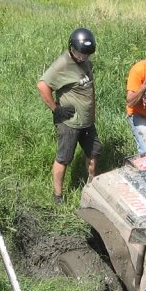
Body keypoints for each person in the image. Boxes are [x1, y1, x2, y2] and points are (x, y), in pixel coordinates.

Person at [37, 27, 100, 204]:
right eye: (79, 53)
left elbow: (90, 87)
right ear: (71, 48)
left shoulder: (86, 62)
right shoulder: (62, 64)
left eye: (86, 54)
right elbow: (42, 85)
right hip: (69, 122)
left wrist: (92, 113)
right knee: (64, 158)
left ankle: (91, 189)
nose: (82, 57)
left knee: (94, 153)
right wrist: (56, 108)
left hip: (87, 121)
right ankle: (57, 195)